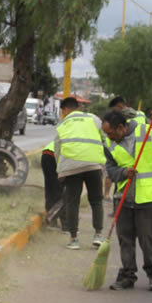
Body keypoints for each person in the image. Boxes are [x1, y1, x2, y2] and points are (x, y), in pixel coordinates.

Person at [102, 108, 152, 291]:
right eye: (106, 134)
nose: (109, 137)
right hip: (123, 197)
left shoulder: (146, 132)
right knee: (125, 239)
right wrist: (123, 173)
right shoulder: (109, 144)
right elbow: (110, 169)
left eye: (110, 133)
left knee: (148, 239)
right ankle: (127, 275)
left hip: (146, 197)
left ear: (121, 128)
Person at [54, 97, 105, 250]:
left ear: (65, 110)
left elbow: (58, 149)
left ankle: (74, 239)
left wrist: (60, 169)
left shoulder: (62, 124)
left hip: (71, 166)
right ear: (78, 107)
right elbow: (104, 137)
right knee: (96, 201)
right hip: (93, 164)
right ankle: (98, 235)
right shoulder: (94, 119)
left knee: (72, 203)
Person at [41, 141, 65, 231]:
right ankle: (65, 225)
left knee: (50, 188)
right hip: (57, 156)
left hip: (46, 153)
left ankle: (52, 222)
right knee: (64, 191)